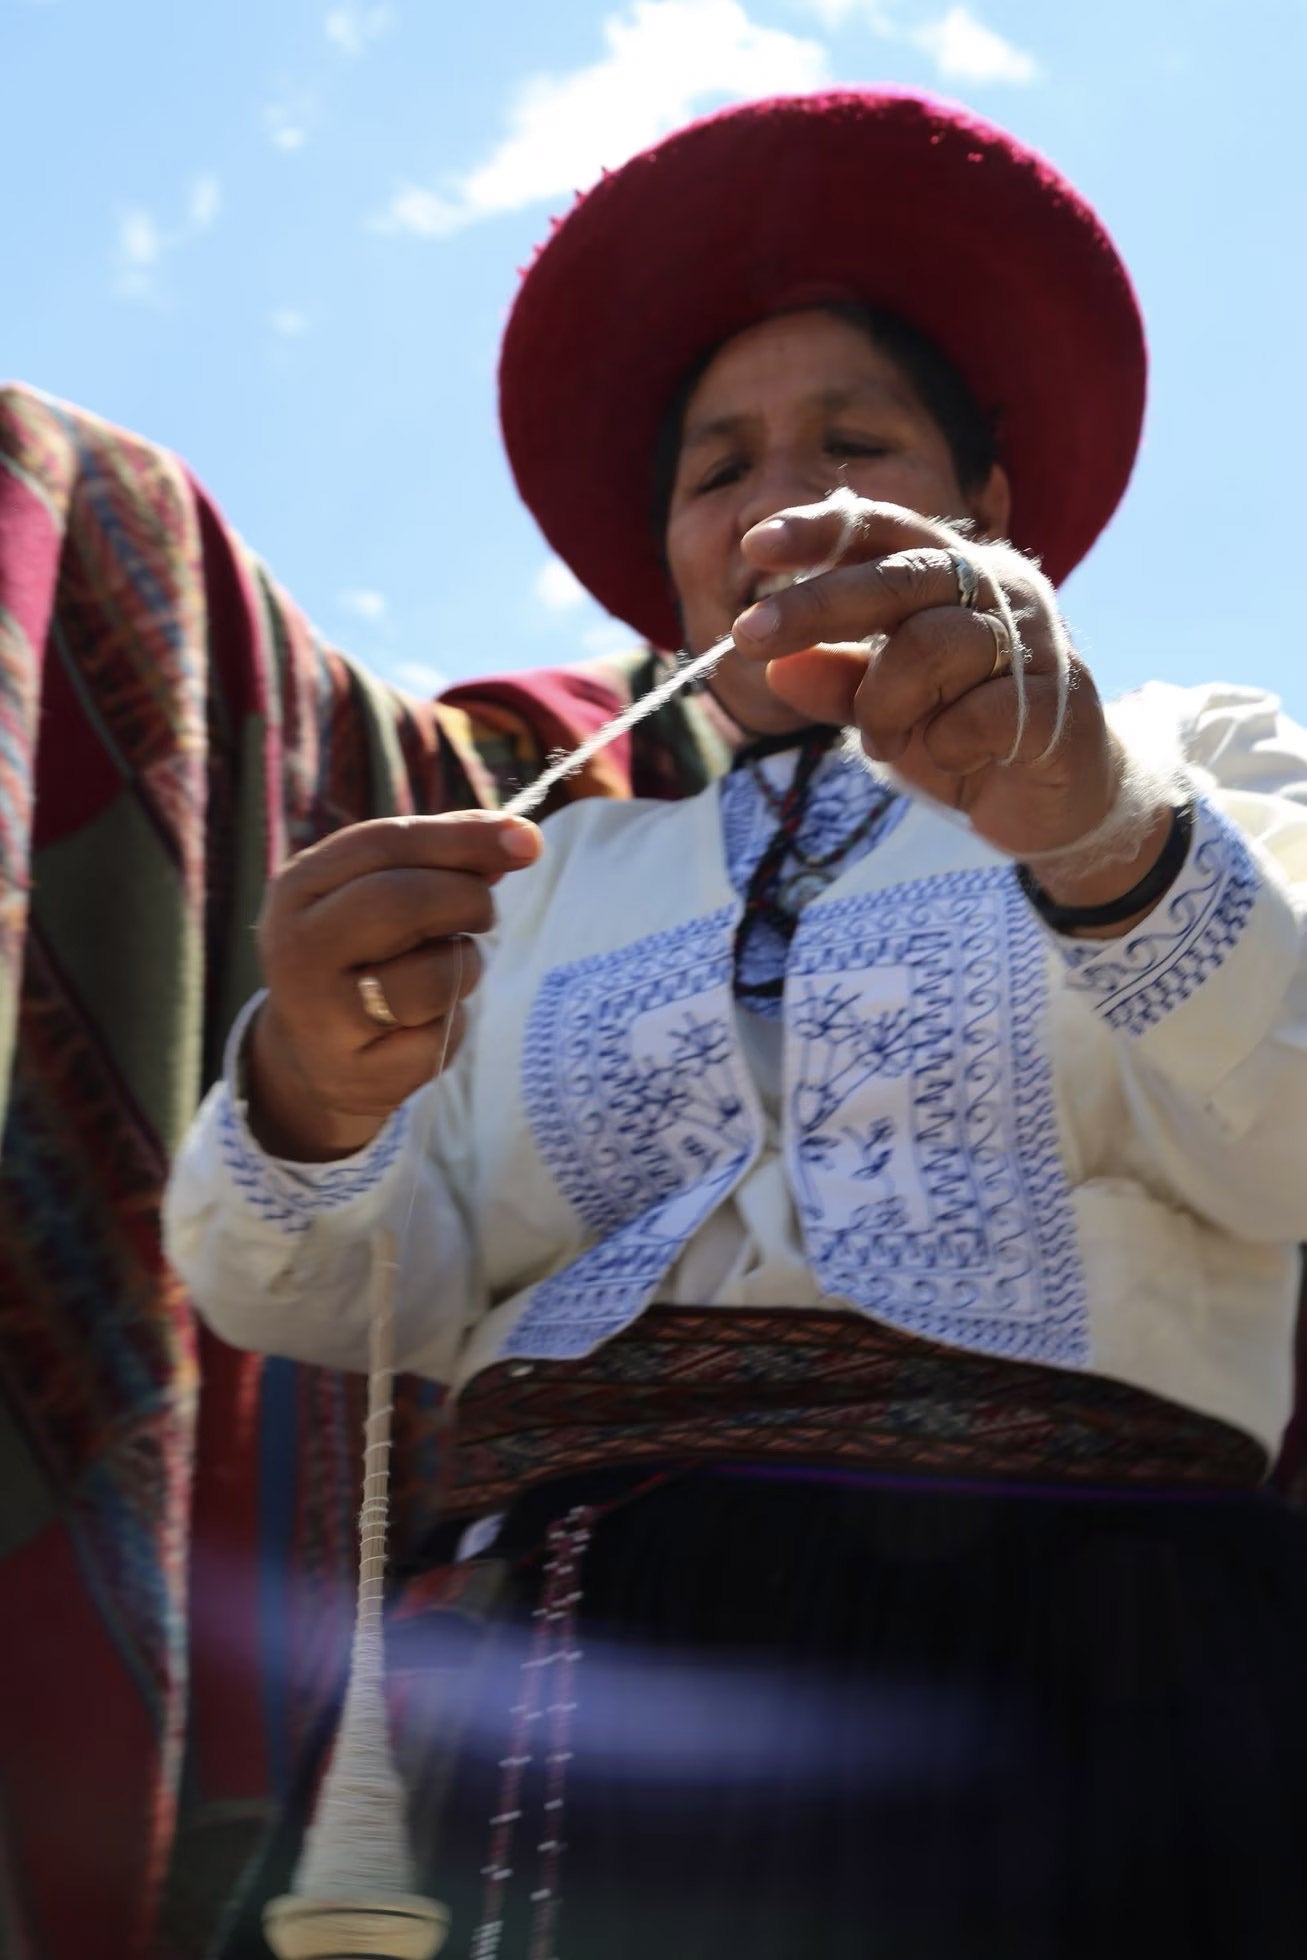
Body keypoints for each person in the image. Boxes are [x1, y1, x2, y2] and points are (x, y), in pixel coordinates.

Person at [166, 89, 1307, 1959]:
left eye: (851, 441)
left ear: (985, 509)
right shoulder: (544, 881)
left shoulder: (1200, 764)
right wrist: (312, 1090)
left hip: (1097, 1682)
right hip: (568, 1707)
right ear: (675, 558)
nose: (778, 498)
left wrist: (1098, 832)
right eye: (720, 468)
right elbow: (318, 1294)